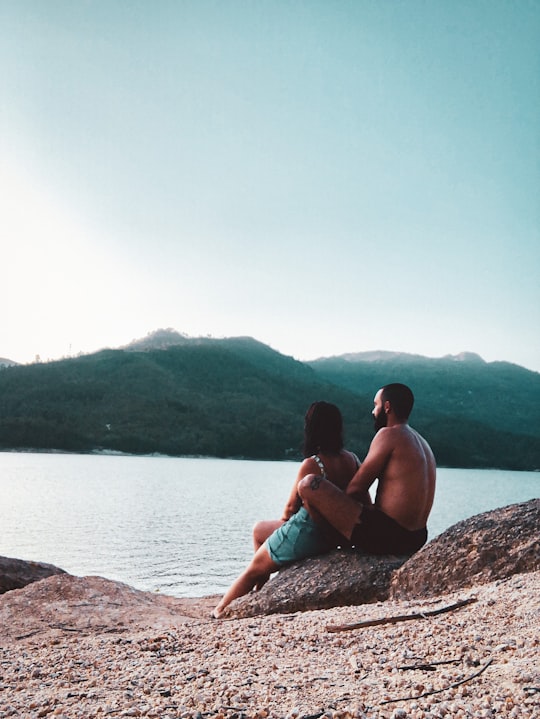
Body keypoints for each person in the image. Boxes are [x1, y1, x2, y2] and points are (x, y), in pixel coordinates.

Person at [212, 401, 361, 618]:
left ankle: (219, 611)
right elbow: (362, 499)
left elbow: (291, 508)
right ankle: (260, 593)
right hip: (336, 532)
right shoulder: (353, 460)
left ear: (312, 429)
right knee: (258, 530)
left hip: (311, 531)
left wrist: (285, 524)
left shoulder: (314, 464)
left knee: (253, 568)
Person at [297, 383, 436, 556]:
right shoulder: (423, 442)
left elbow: (356, 489)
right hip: (418, 536)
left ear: (387, 407)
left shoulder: (388, 434)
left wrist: (332, 507)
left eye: (375, 405)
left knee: (309, 484)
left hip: (391, 538)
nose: (373, 412)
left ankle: (330, 543)